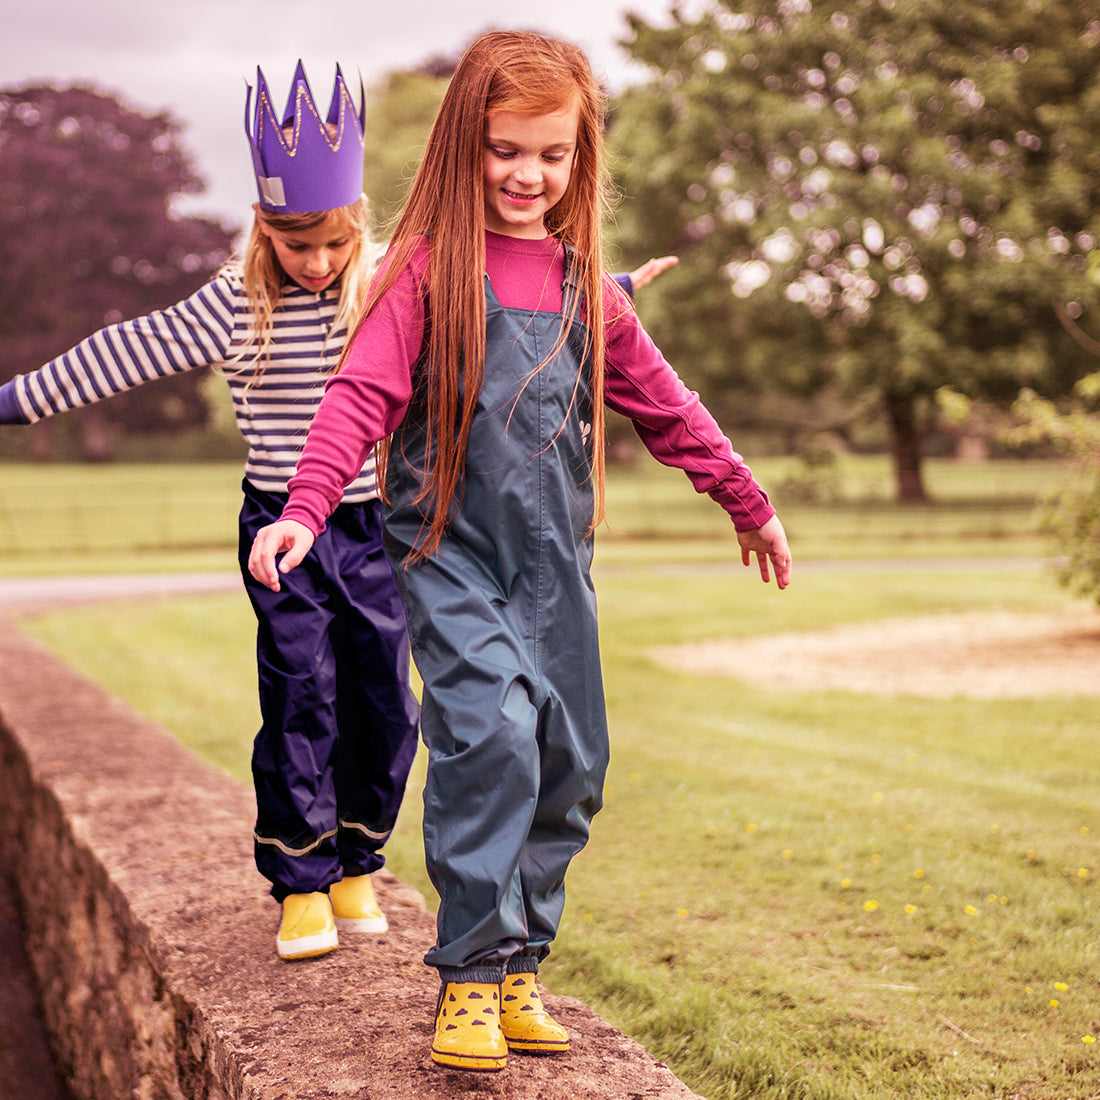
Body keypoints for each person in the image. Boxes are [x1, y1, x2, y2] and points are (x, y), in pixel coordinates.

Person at [248, 32, 792, 1071]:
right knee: (490, 731)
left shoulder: (588, 284)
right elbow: (358, 395)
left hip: (555, 569)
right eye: (505, 149)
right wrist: (304, 508)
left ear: (580, 157)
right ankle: (465, 972)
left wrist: (744, 498)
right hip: (448, 551)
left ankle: (517, 963)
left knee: (568, 761)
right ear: (465, 144)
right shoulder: (421, 273)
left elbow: (666, 409)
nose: (527, 174)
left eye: (551, 154)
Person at [0, 63, 421, 962]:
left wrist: (605, 290)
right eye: (296, 245)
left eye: (334, 246)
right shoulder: (236, 305)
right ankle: (302, 884)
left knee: (386, 703)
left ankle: (357, 863)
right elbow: (121, 352)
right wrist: (7, 402)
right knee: (304, 693)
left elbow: (493, 308)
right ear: (265, 229)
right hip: (282, 530)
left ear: (358, 232)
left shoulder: (388, 285)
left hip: (376, 527)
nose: (316, 264)